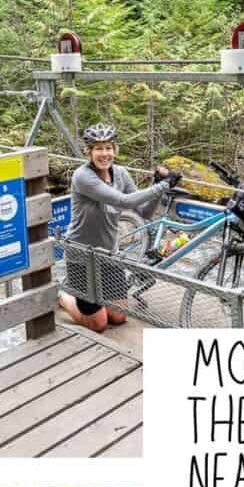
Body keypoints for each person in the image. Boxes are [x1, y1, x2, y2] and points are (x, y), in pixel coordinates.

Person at [59, 122, 181, 333]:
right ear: (89, 152)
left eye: (108, 148)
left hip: (109, 253)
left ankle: (90, 298)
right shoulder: (83, 177)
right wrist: (162, 185)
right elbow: (124, 201)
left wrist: (158, 186)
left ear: (114, 150)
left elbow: (142, 212)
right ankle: (64, 296)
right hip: (82, 255)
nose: (104, 153)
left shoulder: (121, 174)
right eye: (98, 148)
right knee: (99, 324)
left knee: (119, 316)